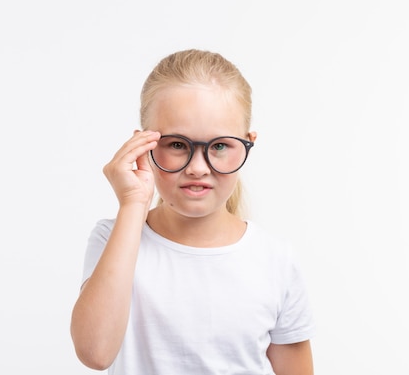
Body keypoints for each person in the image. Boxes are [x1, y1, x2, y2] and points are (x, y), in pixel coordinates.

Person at [70, 49, 315, 374]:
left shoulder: (275, 260)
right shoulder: (113, 238)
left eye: (219, 146)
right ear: (143, 144)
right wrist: (133, 203)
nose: (198, 168)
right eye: (177, 145)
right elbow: (96, 353)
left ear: (247, 143)